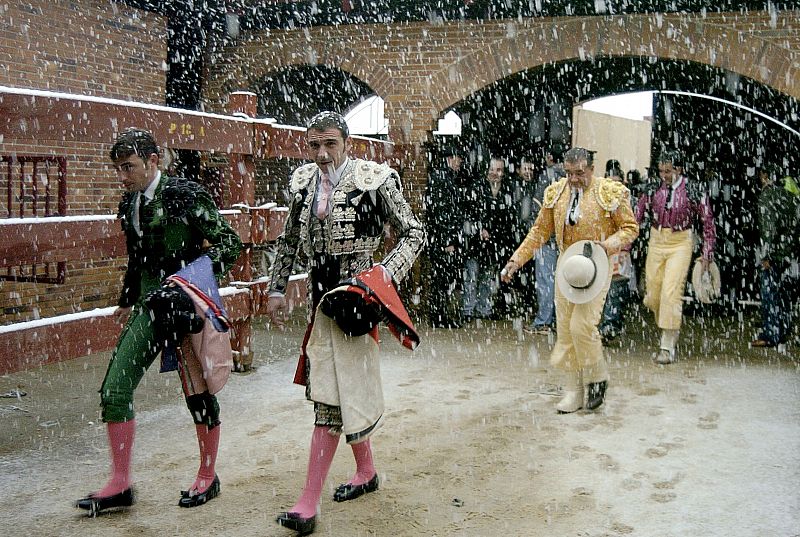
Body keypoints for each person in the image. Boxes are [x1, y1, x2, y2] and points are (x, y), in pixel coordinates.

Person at [266, 111, 425, 535]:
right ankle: (367, 471)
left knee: (330, 400)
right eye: (314, 145)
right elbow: (286, 239)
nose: (321, 154)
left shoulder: (374, 179)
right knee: (342, 388)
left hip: (356, 303)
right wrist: (277, 288)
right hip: (322, 304)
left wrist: (383, 275)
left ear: (347, 143)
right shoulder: (302, 183)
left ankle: (307, 503)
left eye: (329, 144)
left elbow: (414, 232)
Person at [75, 128, 243, 515]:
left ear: (154, 160)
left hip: (185, 304)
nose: (123, 176)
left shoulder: (186, 195)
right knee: (115, 389)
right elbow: (138, 258)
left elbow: (228, 244)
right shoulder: (128, 204)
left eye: (129, 166)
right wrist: (127, 300)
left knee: (198, 393)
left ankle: (207, 474)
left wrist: (188, 283)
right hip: (150, 306)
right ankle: (120, 483)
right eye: (118, 168)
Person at [501, 147, 638, 413]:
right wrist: (515, 261)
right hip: (567, 266)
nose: (573, 179)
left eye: (579, 173)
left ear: (591, 169)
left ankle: (597, 376)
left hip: (597, 264)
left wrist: (609, 245)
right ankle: (574, 390)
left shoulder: (609, 192)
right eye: (569, 173)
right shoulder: (556, 193)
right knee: (565, 330)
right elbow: (539, 232)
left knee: (582, 325)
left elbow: (630, 228)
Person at [635, 151, 716, 364]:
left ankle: (667, 344)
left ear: (678, 169)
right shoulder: (652, 188)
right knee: (652, 293)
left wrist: (707, 253)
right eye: (661, 171)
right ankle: (668, 324)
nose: (664, 175)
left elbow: (708, 221)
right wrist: (624, 245)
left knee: (671, 292)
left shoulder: (693, 189)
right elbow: (636, 216)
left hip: (681, 241)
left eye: (668, 171)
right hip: (656, 238)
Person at [462, 156, 515, 320]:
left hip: (495, 243)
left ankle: (484, 309)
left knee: (488, 278)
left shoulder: (507, 190)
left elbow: (508, 216)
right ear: (487, 170)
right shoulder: (477, 187)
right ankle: (468, 310)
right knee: (471, 276)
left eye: (499, 170)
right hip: (475, 242)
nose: (495, 173)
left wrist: (496, 233)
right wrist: (480, 228)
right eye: (493, 169)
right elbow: (469, 211)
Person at [752, 165, 800, 347]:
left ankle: (770, 334)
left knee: (770, 293)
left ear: (765, 175)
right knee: (785, 295)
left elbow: (768, 229)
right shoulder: (791, 194)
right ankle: (784, 329)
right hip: (790, 253)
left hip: (775, 254)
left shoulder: (768, 195)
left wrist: (766, 255)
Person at [424, 144, 468, 328]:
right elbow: (441, 212)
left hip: (443, 238)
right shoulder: (442, 179)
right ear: (450, 159)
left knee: (444, 280)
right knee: (441, 280)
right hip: (443, 240)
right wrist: (447, 241)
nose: (461, 162)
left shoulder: (444, 177)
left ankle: (441, 315)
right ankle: (438, 316)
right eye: (458, 158)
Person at [524, 149, 564, 334]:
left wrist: (535, 230)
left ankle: (543, 321)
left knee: (545, 280)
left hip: (546, 239)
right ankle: (557, 320)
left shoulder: (546, 177)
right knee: (561, 282)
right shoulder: (570, 179)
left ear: (549, 157)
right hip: (563, 239)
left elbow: (537, 209)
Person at [599, 159, 634, 343]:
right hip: (601, 247)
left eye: (617, 182)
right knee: (600, 289)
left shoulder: (627, 200)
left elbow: (631, 227)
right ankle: (605, 324)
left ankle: (611, 325)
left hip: (620, 249)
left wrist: (624, 248)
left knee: (616, 289)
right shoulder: (599, 198)